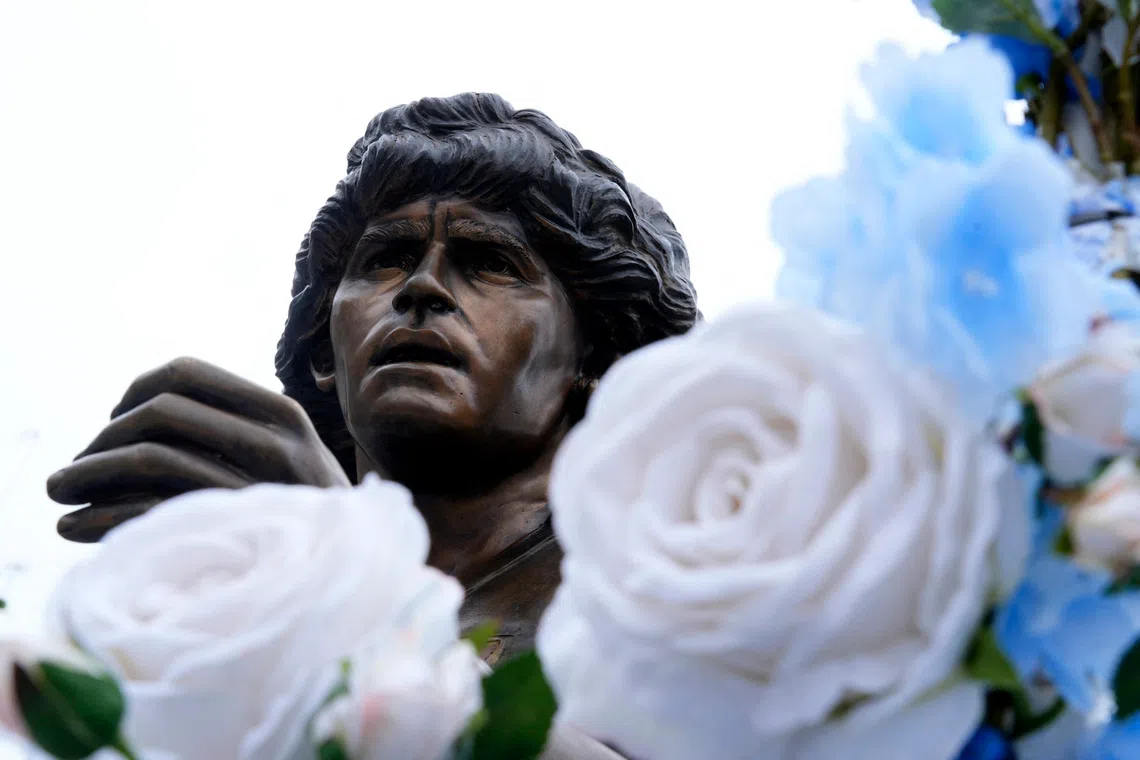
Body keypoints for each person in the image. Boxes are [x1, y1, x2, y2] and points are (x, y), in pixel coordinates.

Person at [47, 93, 699, 757]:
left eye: (490, 263)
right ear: (322, 354)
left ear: (599, 352)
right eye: (385, 258)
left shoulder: (688, 595)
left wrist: (348, 579)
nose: (422, 288)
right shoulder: (217, 618)